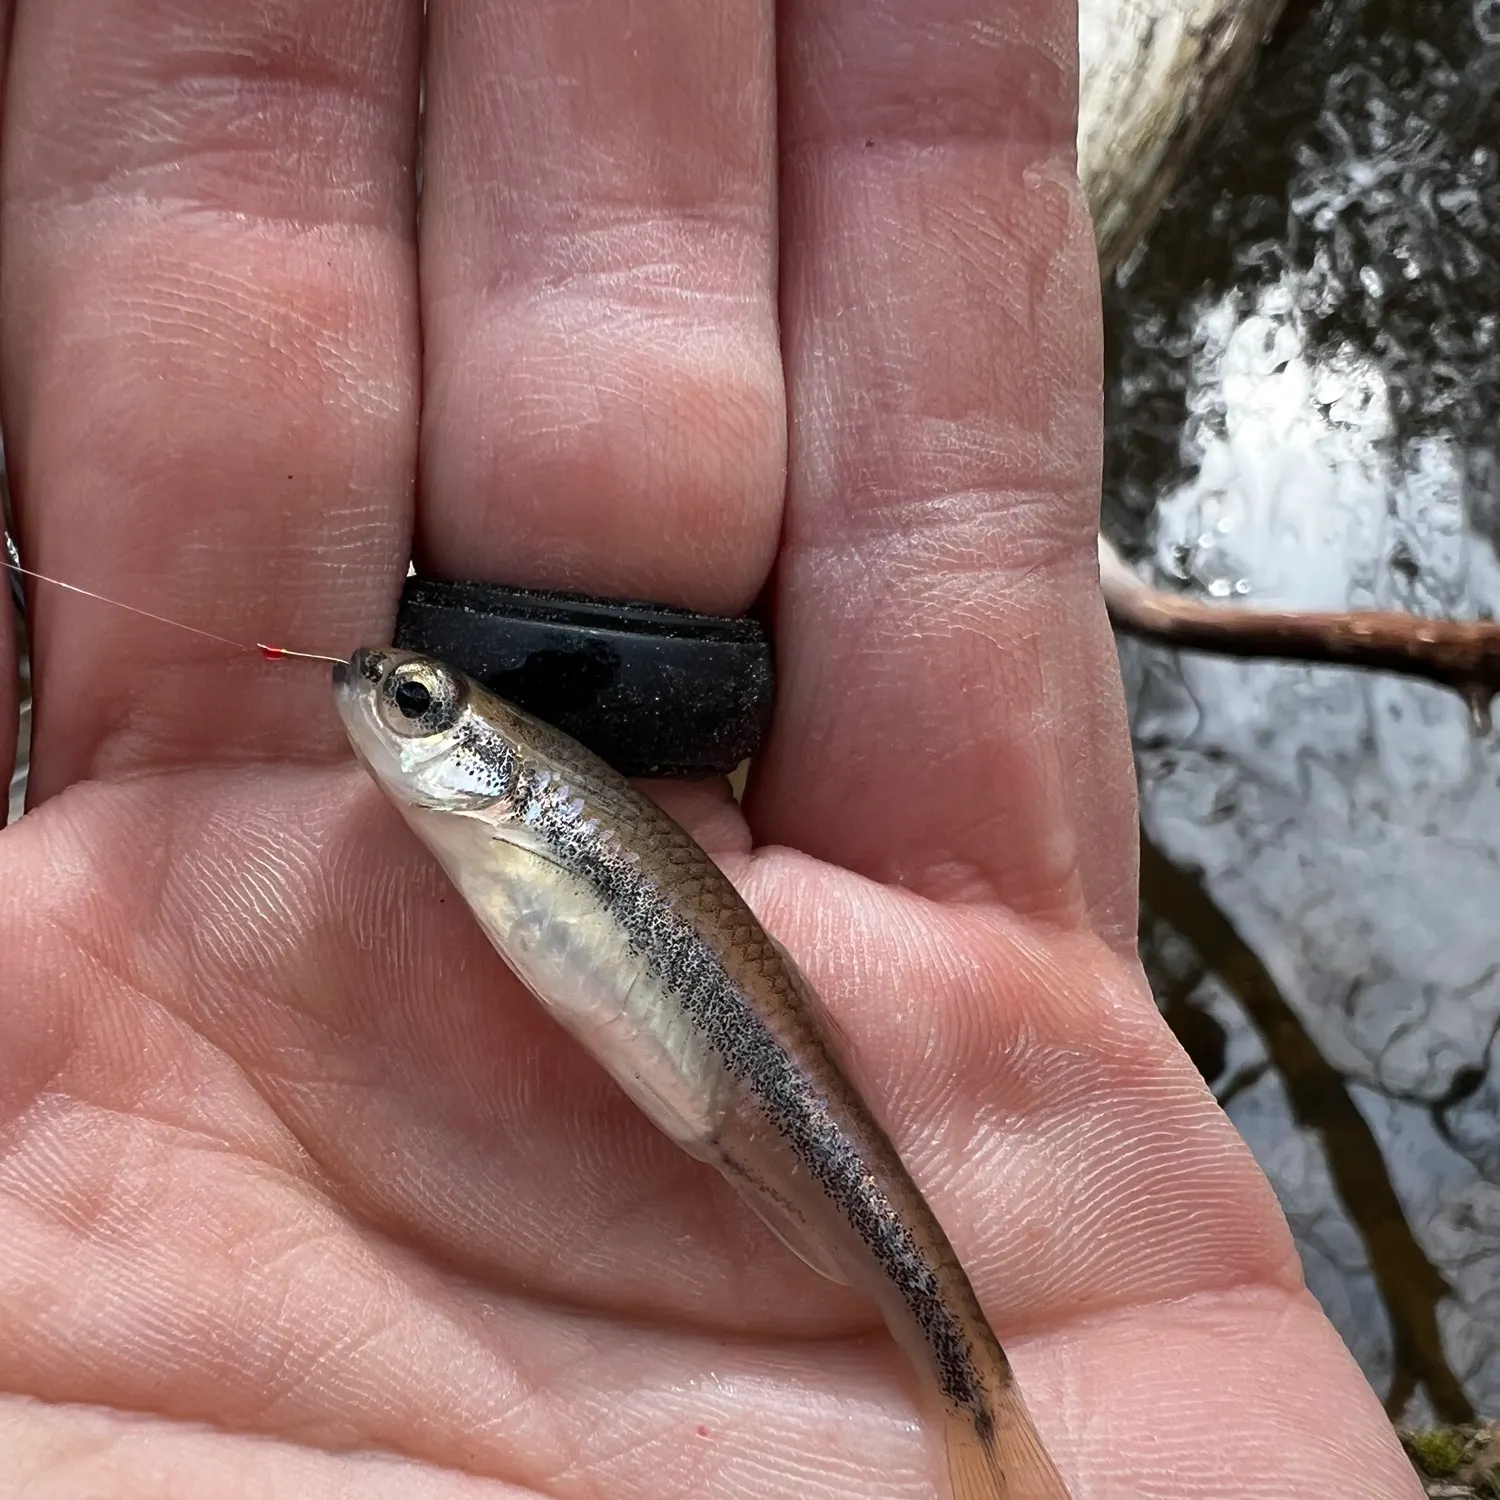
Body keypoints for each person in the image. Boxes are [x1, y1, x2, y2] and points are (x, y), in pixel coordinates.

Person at [0, 2, 1424, 1495]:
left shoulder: (527, 807)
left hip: (771, 1104)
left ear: (496, 771)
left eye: (418, 707)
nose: (380, 700)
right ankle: (971, 1409)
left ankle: (979, 1405)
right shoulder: (497, 815)